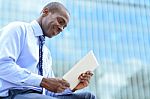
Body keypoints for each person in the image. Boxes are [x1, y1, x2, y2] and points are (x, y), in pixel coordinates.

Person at [0, 2, 96, 99]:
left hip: (39, 96)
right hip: (13, 94)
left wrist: (73, 87)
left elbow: (50, 92)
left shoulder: (46, 53)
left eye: (64, 26)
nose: (61, 29)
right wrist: (43, 81)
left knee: (88, 96)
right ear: (45, 12)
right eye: (60, 21)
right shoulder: (18, 29)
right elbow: (2, 66)